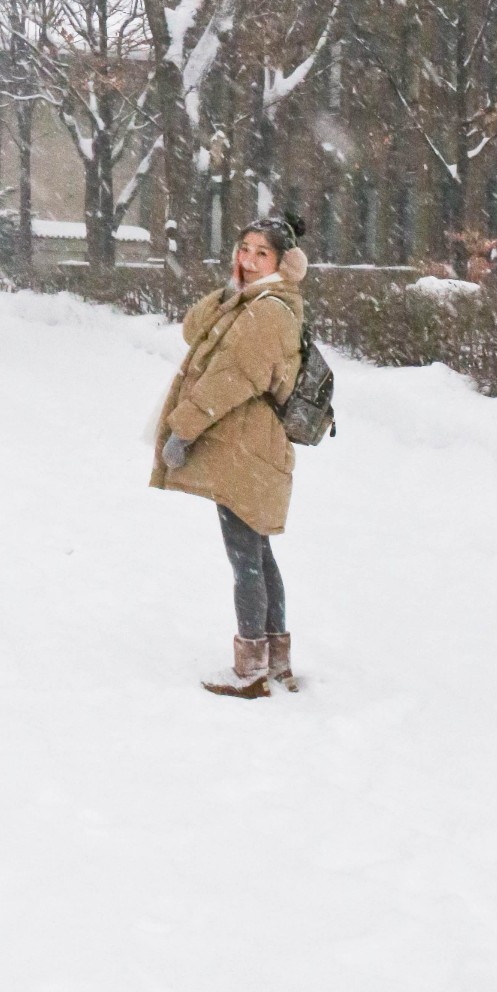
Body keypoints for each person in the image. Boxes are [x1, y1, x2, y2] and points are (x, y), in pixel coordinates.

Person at [150, 214, 308, 697]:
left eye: (263, 253)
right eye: (245, 249)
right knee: (258, 553)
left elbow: (230, 379)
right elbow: (193, 330)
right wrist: (229, 287)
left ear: (285, 262)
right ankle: (274, 661)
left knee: (246, 557)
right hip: (250, 445)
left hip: (247, 447)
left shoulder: (268, 313)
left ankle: (251, 670)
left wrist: (183, 430)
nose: (250, 259)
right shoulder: (253, 301)